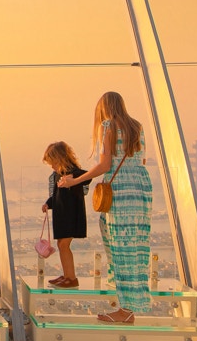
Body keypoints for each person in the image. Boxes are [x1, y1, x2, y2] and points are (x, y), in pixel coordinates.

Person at [58, 92, 152, 324]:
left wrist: (74, 181)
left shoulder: (107, 125)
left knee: (120, 247)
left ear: (103, 108)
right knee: (135, 247)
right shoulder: (136, 126)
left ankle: (126, 311)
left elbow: (104, 164)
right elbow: (141, 160)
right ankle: (127, 303)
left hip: (120, 191)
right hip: (140, 189)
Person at [41, 141, 87, 288]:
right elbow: (56, 195)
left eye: (53, 163)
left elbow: (86, 176)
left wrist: (73, 179)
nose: (52, 167)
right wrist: (48, 203)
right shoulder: (57, 176)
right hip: (62, 215)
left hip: (71, 215)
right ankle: (67, 276)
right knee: (62, 245)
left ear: (60, 159)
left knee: (63, 245)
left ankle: (71, 278)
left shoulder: (73, 172)